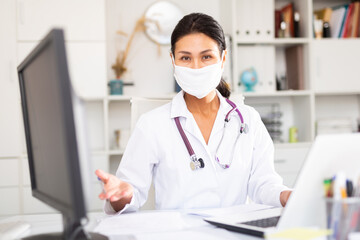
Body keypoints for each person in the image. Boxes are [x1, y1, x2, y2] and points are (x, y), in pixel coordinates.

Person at [96, 13, 292, 214]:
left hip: (234, 232)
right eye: (185, 58)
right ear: (173, 60)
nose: (196, 67)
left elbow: (263, 184)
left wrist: (286, 196)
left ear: (223, 58)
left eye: (206, 56)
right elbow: (129, 193)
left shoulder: (248, 119)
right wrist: (123, 196)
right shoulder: (151, 125)